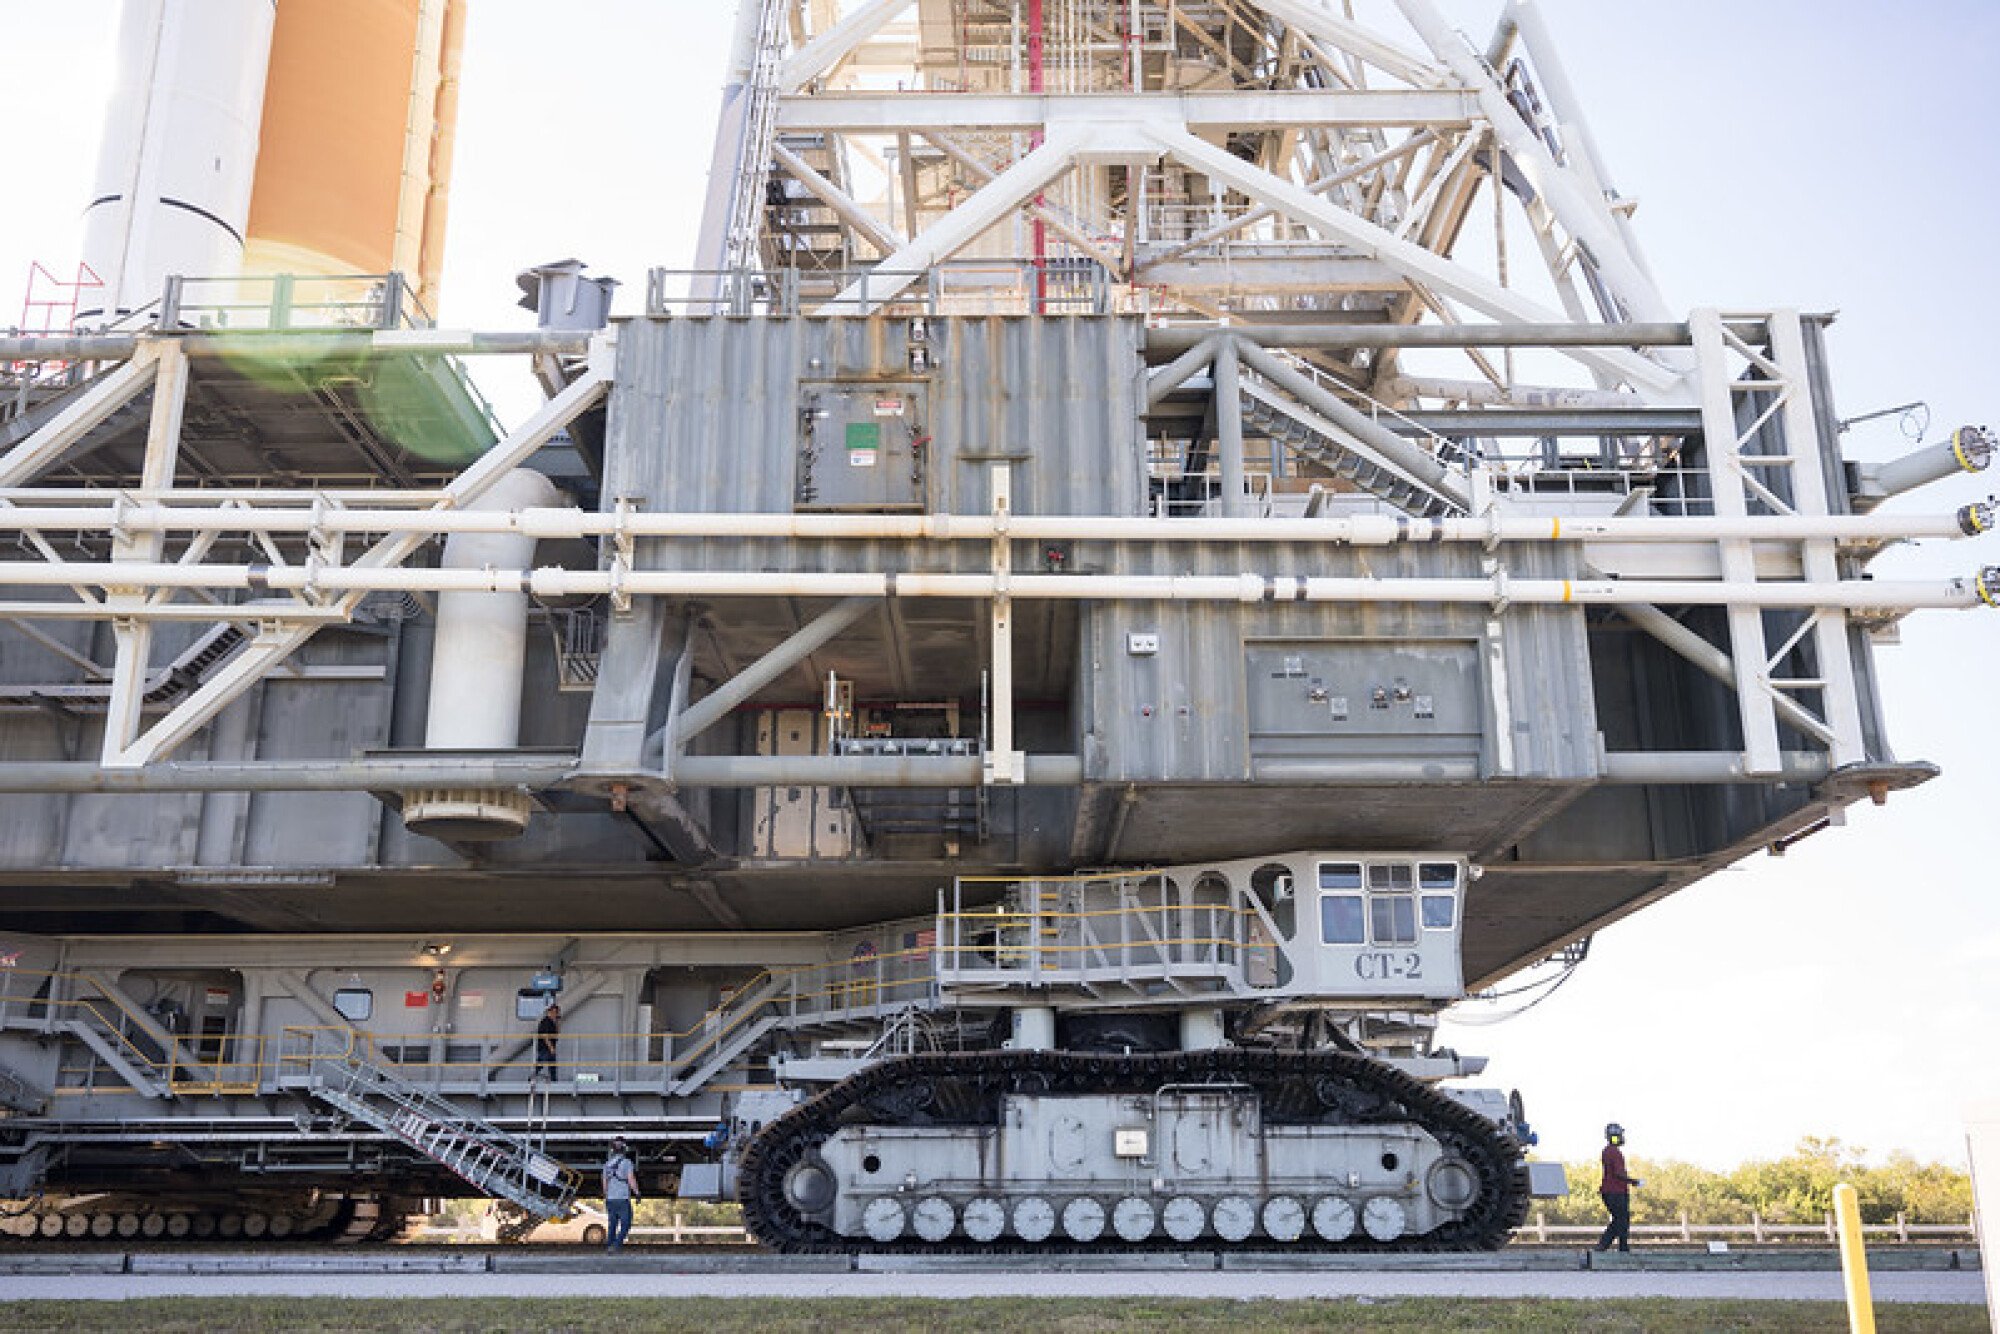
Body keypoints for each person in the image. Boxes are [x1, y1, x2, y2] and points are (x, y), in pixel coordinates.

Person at [1595, 1121, 1644, 1253]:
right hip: (1615, 1192)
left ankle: (1620, 1248)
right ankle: (1605, 1247)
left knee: (1621, 1220)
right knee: (1621, 1220)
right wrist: (1634, 1181)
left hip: (1612, 1191)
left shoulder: (1608, 1151)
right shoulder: (1614, 1152)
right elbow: (1618, 1173)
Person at [602, 1136, 641, 1252]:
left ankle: (610, 1245)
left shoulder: (607, 1164)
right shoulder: (627, 1163)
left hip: (610, 1198)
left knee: (612, 1223)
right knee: (626, 1223)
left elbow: (604, 1182)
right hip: (622, 1198)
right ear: (624, 1149)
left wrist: (606, 1196)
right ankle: (617, 1244)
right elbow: (631, 1179)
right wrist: (637, 1193)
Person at [534, 1001, 561, 1083]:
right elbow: (545, 1036)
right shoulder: (545, 1021)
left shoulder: (552, 1022)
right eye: (556, 1013)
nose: (556, 1015)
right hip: (545, 1047)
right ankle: (533, 1076)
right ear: (551, 1012)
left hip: (550, 1047)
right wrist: (551, 1047)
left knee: (552, 1065)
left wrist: (557, 1022)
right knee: (541, 1063)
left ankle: (554, 1080)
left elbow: (557, 1032)